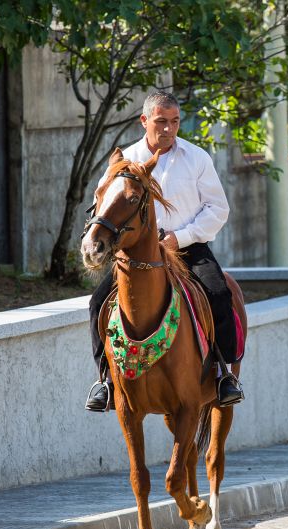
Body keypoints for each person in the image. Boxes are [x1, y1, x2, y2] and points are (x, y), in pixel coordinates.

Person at [85, 91, 243, 412]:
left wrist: (179, 238)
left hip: (189, 251)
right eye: (161, 122)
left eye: (174, 122)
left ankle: (224, 374)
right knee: (97, 302)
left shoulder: (197, 157)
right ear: (144, 121)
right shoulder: (124, 161)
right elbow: (101, 202)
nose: (169, 129)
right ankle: (106, 380)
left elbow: (217, 209)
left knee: (218, 294)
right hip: (136, 257)